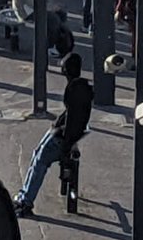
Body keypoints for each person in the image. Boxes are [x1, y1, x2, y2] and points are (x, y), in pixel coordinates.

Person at [14, 53, 93, 216]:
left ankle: (26, 200)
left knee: (40, 162)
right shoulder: (80, 86)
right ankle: (23, 196)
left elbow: (73, 119)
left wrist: (66, 143)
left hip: (63, 136)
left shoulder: (75, 88)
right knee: (37, 154)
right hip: (60, 131)